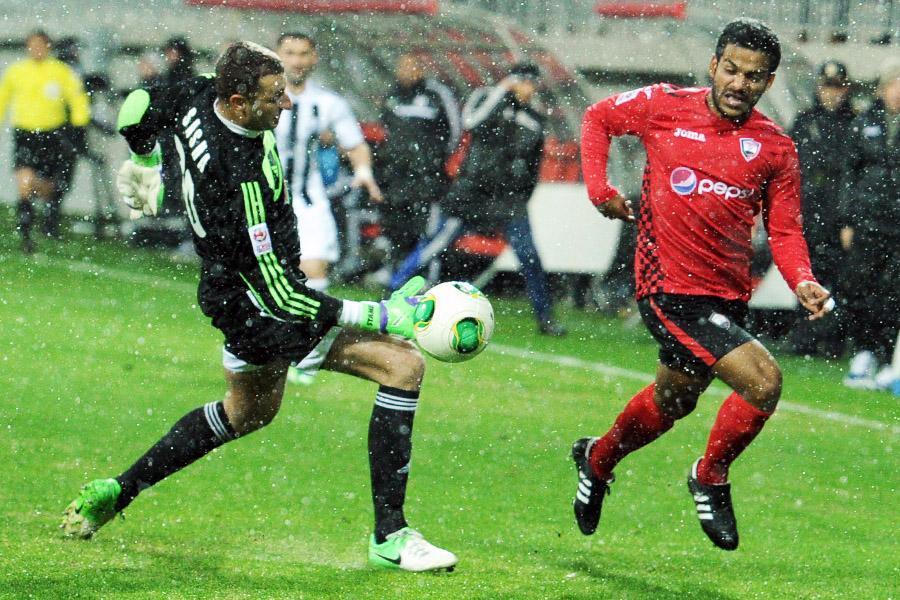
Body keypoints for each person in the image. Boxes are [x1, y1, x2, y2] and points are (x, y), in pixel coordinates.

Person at [61, 41, 458, 573]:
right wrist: (382, 315)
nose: (286, 105)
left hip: (227, 292)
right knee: (403, 365)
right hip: (258, 307)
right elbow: (283, 296)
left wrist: (144, 159)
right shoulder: (239, 174)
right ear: (239, 102)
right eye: (275, 97)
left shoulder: (202, 92)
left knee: (248, 412)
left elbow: (139, 106)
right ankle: (391, 536)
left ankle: (119, 489)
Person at [575, 19, 833, 551]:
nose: (739, 84)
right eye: (731, 70)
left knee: (673, 402)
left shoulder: (775, 148)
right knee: (763, 382)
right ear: (714, 66)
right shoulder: (664, 105)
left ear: (768, 81)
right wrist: (600, 190)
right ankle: (710, 476)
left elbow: (785, 230)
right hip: (667, 287)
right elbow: (598, 117)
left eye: (754, 76)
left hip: (726, 296)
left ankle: (597, 459)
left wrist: (803, 279)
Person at [390, 62, 567, 336]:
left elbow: (533, 163)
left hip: (508, 200)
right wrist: (501, 92)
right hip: (471, 192)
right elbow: (472, 122)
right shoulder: (486, 97)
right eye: (522, 82)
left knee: (529, 257)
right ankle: (393, 289)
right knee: (435, 244)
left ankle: (545, 319)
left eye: (532, 83)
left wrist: (522, 196)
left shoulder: (534, 117)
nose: (527, 88)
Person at [273, 32, 382, 383]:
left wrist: (363, 171)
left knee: (313, 272)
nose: (297, 60)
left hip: (308, 201)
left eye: (303, 53)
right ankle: (258, 353)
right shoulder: (262, 97)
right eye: (290, 53)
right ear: (277, 56)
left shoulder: (328, 103)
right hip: (264, 201)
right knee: (260, 281)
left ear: (314, 58)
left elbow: (355, 143)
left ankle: (306, 358)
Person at [370, 51, 460, 286]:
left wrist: (432, 160)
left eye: (411, 67)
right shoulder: (393, 95)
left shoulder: (437, 94)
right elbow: (387, 130)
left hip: (427, 178)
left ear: (421, 69)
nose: (406, 72)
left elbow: (455, 131)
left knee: (426, 231)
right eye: (402, 67)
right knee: (398, 230)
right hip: (397, 176)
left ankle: (425, 281)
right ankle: (395, 278)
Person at [788, 60, 856, 358]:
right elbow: (789, 168)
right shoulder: (804, 121)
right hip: (808, 209)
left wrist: (847, 216)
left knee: (839, 277)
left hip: (838, 212)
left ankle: (833, 339)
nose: (832, 93)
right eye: (828, 86)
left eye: (837, 87)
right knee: (805, 275)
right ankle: (804, 335)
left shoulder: (854, 123)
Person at [840, 57, 900, 390]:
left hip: (897, 224)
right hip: (868, 221)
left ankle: (888, 355)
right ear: (883, 87)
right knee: (860, 287)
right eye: (894, 85)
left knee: (893, 292)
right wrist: (847, 220)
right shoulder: (863, 122)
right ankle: (863, 352)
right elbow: (849, 174)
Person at [0, 29, 90, 252]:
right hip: (25, 134)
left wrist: (79, 124)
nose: (36, 49)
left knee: (48, 186)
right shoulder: (17, 71)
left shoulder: (60, 71)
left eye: (40, 45)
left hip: (51, 135)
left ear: (48, 47)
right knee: (24, 181)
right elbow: (3, 99)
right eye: (32, 45)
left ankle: (48, 219)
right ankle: (25, 231)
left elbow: (77, 97)